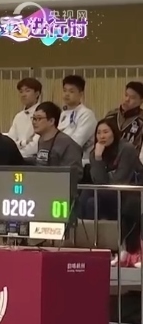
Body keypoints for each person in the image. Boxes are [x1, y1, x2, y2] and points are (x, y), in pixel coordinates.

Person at [80, 119, 142, 261]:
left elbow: (120, 180)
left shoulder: (126, 149)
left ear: (114, 133)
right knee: (89, 201)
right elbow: (99, 181)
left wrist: (104, 183)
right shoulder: (95, 153)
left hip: (129, 193)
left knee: (88, 193)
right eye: (98, 133)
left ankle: (98, 246)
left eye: (106, 132)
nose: (102, 136)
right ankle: (93, 245)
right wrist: (98, 158)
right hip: (109, 194)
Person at [31, 101, 84, 179]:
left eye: (39, 118)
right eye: (34, 118)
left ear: (51, 121)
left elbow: (75, 174)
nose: (34, 122)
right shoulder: (41, 140)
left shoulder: (67, 144)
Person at [59, 75, 96, 157]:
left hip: (80, 160)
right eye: (65, 91)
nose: (67, 94)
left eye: (71, 91)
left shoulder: (86, 114)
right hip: (60, 156)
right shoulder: (62, 113)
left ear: (81, 94)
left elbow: (76, 142)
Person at [103, 81, 143, 152]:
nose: (127, 99)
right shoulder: (110, 115)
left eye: (132, 97)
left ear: (141, 101)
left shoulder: (141, 121)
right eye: (126, 95)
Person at [8, 77, 42, 157]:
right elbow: (10, 142)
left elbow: (36, 145)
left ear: (37, 93)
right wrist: (23, 143)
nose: (23, 95)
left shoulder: (43, 114)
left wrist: (17, 151)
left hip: (34, 158)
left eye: (27, 91)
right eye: (21, 91)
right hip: (16, 157)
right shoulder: (18, 116)